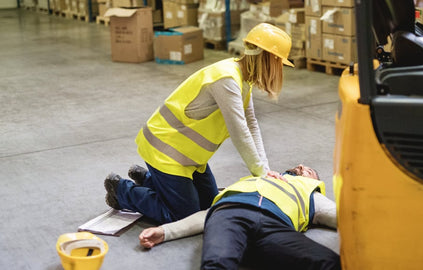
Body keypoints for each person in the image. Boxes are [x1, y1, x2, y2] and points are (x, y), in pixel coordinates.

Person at [103, 23, 295, 224]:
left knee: (210, 205)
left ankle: (149, 180)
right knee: (185, 215)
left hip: (190, 156)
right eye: (280, 62)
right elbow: (240, 132)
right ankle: (122, 190)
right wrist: (261, 173)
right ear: (270, 58)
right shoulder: (227, 79)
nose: (280, 68)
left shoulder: (242, 78)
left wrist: (265, 170)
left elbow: (251, 124)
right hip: (165, 151)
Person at [138, 164, 341, 270]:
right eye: (298, 166)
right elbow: (207, 215)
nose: (300, 166)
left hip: (275, 226)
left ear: (314, 180)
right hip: (229, 214)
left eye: (309, 170)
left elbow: (345, 218)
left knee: (329, 262)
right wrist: (165, 231)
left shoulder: (311, 193)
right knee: (217, 264)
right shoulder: (256, 177)